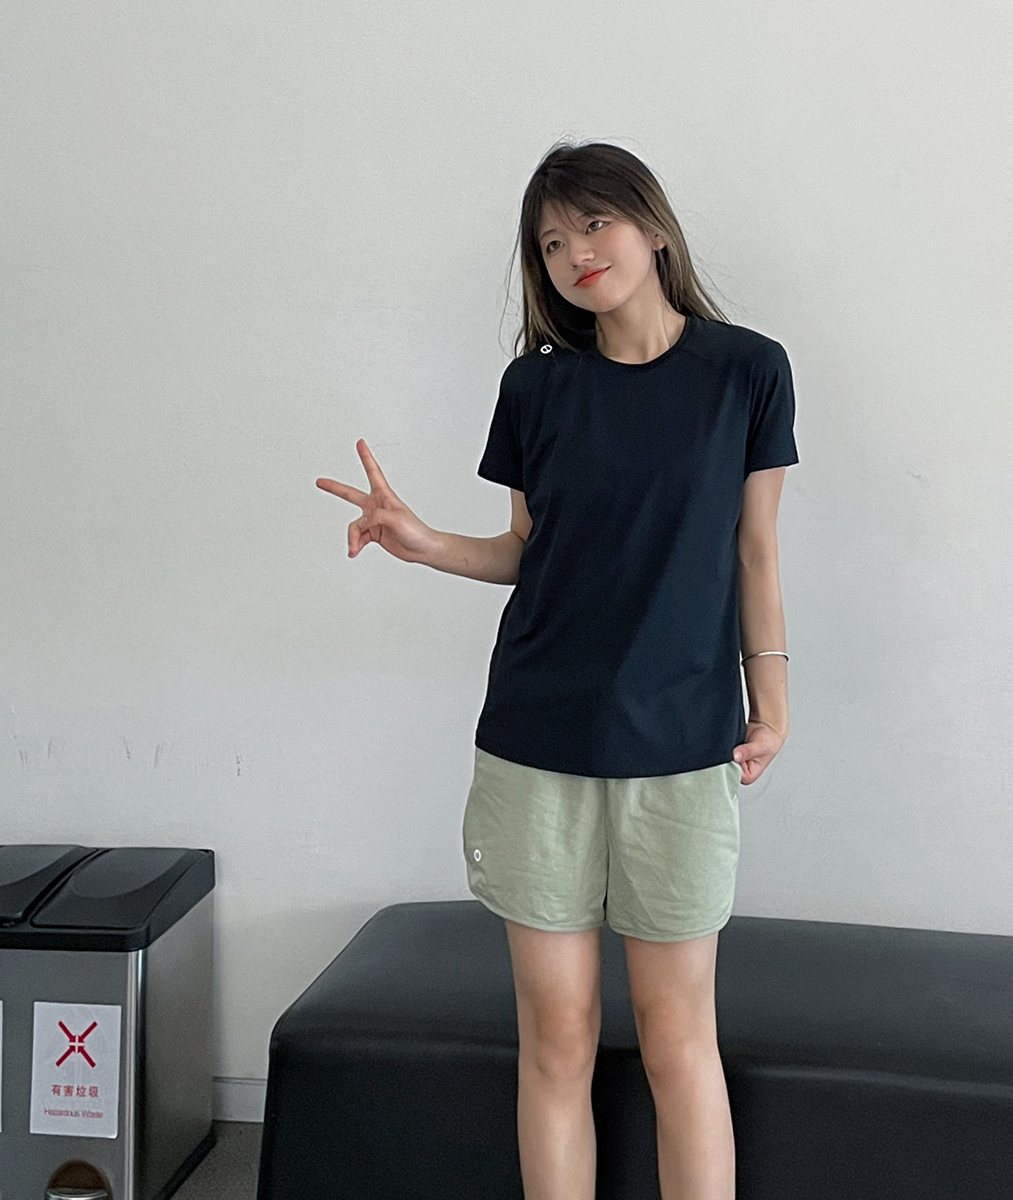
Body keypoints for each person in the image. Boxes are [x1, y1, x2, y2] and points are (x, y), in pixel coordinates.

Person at [316, 139, 798, 1200]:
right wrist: (423, 542)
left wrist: (771, 702)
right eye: (549, 241)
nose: (575, 252)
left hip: (681, 744)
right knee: (558, 1033)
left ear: (652, 226)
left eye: (593, 223)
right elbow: (529, 552)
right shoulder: (536, 388)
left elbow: (754, 550)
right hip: (538, 743)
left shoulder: (748, 371)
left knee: (679, 1038)